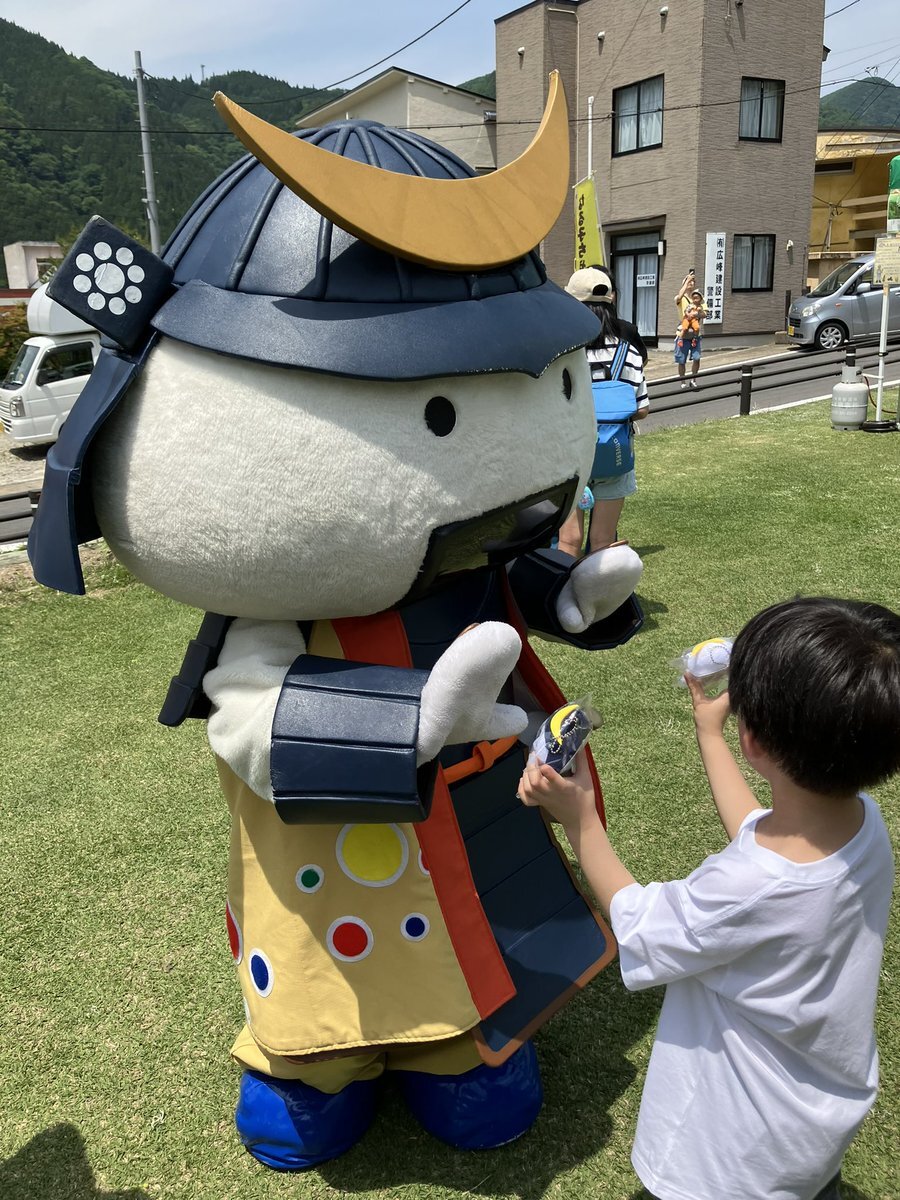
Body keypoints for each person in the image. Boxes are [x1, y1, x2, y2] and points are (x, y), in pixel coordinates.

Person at [518, 596, 900, 1200]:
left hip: (732, 1150)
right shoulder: (861, 825)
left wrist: (581, 820)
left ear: (756, 740)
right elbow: (758, 831)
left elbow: (640, 925)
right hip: (811, 1120)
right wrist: (709, 733)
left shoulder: (747, 889)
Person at [557, 266, 650, 559]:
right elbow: (642, 409)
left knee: (568, 540)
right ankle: (598, 590)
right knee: (602, 542)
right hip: (614, 456)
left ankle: (564, 590)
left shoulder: (559, 353)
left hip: (569, 459)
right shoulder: (629, 352)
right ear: (610, 303)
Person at [674, 271, 709, 389]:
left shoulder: (699, 298)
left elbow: (705, 314)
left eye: (693, 281)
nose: (691, 283)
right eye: (688, 281)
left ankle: (693, 380)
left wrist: (696, 313)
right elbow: (679, 297)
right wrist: (687, 280)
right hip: (683, 333)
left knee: (697, 358)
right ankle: (682, 381)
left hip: (695, 333)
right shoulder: (680, 298)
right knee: (681, 360)